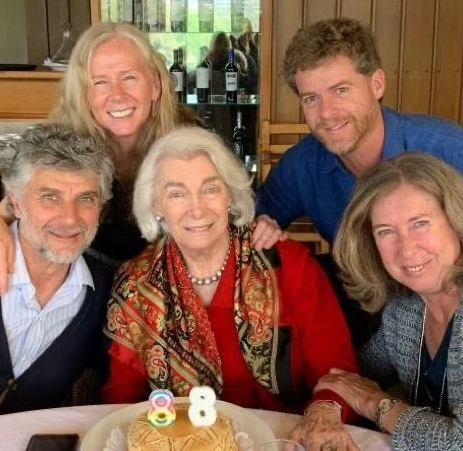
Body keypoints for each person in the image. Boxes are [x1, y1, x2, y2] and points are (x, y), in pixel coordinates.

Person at [0, 22, 281, 299]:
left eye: (129, 77)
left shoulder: (188, 142)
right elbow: (11, 207)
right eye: (100, 82)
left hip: (168, 299)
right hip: (83, 297)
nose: (117, 95)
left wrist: (262, 225)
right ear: (83, 94)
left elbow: (225, 213)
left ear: (156, 85)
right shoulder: (65, 146)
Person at [102, 126, 360, 450]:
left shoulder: (288, 266)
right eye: (177, 194)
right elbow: (123, 402)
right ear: (155, 205)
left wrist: (324, 409)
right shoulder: (135, 284)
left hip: (281, 441)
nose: (197, 209)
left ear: (230, 195)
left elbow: (338, 373)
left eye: (210, 189)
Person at [256, 17, 463, 246]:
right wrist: (262, 225)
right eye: (311, 98)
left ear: (377, 84)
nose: (326, 113)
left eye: (341, 90)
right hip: (349, 271)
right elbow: (254, 218)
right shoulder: (302, 164)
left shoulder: (452, 151)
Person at [314, 152, 463, 450]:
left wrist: (375, 403)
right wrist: (326, 403)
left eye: (420, 223)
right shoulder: (405, 309)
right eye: (385, 231)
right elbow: (356, 372)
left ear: (457, 220)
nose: (406, 249)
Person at [0, 124, 115, 419]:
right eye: (50, 197)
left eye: (86, 198)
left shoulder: (105, 292)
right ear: (15, 203)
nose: (70, 218)